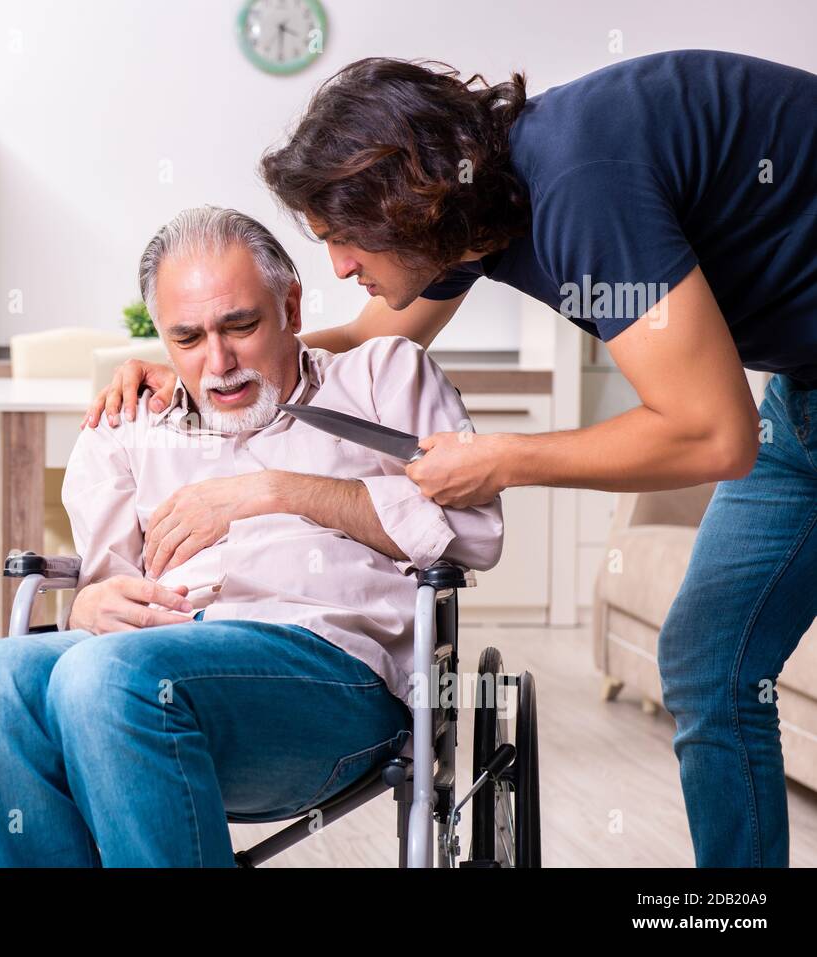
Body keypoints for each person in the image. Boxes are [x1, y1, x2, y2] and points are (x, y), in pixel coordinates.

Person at [85, 50, 817, 868]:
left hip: (777, 401)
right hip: (806, 388)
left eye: (345, 239)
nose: (342, 267)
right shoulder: (470, 210)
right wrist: (200, 365)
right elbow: (368, 337)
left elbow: (715, 433)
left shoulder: (581, 185)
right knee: (711, 661)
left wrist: (499, 458)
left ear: (403, 206)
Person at [0, 206, 502, 866]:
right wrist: (89, 603)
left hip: (329, 678)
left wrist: (276, 490)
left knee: (107, 675)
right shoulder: (129, 427)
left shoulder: (384, 379)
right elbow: (100, 593)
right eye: (189, 338)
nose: (219, 362)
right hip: (139, 675)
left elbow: (473, 532)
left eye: (241, 325)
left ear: (290, 305)